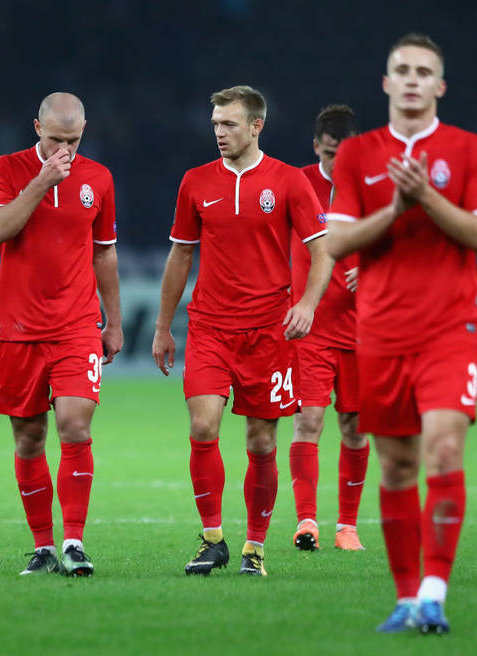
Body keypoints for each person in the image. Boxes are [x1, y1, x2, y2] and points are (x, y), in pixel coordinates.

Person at [326, 34, 477, 634]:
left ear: (439, 86)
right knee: (397, 467)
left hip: (450, 328)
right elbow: (337, 242)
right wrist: (395, 209)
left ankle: (434, 593)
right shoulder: (357, 154)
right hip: (379, 331)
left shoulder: (468, 149)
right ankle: (405, 600)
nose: (411, 79)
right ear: (386, 81)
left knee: (444, 450)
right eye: (401, 70)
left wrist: (424, 196)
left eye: (424, 72)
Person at [152, 85, 333, 577]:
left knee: (261, 442)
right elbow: (181, 255)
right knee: (202, 426)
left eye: (228, 124)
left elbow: (322, 251)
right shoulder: (195, 181)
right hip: (209, 327)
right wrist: (164, 326)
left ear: (256, 127)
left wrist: (307, 304)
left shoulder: (289, 181)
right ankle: (213, 539)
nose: (219, 132)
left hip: (269, 332)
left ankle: (255, 547)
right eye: (215, 124)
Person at [0, 92, 123, 577]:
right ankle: (42, 548)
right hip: (18, 329)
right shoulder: (6, 169)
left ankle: (74, 543)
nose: (65, 149)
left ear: (84, 131)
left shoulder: (99, 177)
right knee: (29, 438)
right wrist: (42, 181)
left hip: (76, 326)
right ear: (37, 127)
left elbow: (104, 251)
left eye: (74, 140)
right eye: (57, 139)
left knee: (75, 426)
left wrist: (114, 321)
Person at [289, 104, 370, 552]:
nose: (338, 162)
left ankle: (347, 527)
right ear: (317, 146)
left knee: (355, 427)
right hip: (310, 327)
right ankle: (306, 522)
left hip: (361, 330)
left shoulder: (375, 190)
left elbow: (401, 248)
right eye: (330, 152)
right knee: (309, 420)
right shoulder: (297, 183)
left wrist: (374, 272)